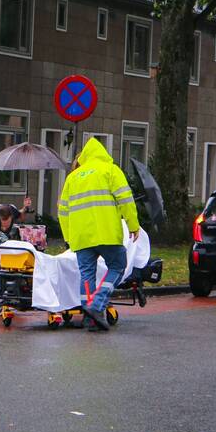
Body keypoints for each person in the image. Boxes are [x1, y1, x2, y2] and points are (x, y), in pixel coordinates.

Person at [58, 137, 140, 332]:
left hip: (81, 236)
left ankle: (90, 318)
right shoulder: (110, 170)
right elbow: (126, 200)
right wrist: (133, 225)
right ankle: (97, 305)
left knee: (87, 275)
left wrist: (68, 236)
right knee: (118, 266)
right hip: (106, 233)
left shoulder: (73, 177)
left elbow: (63, 211)